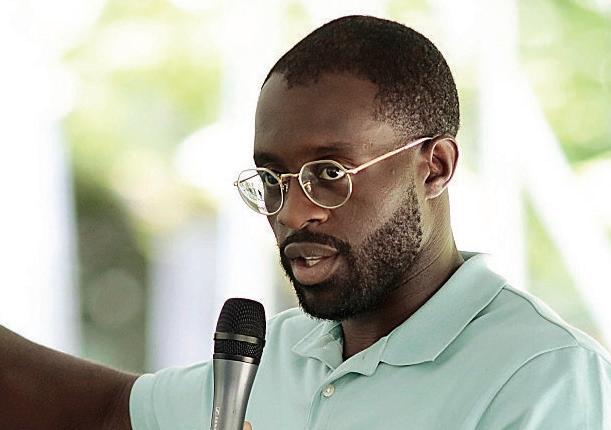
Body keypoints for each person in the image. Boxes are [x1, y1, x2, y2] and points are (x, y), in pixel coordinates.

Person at [1, 15, 610, 430]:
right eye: (272, 179)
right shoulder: (274, 356)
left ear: (435, 167)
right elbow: (106, 412)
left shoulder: (544, 372)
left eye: (330, 173)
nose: (293, 213)